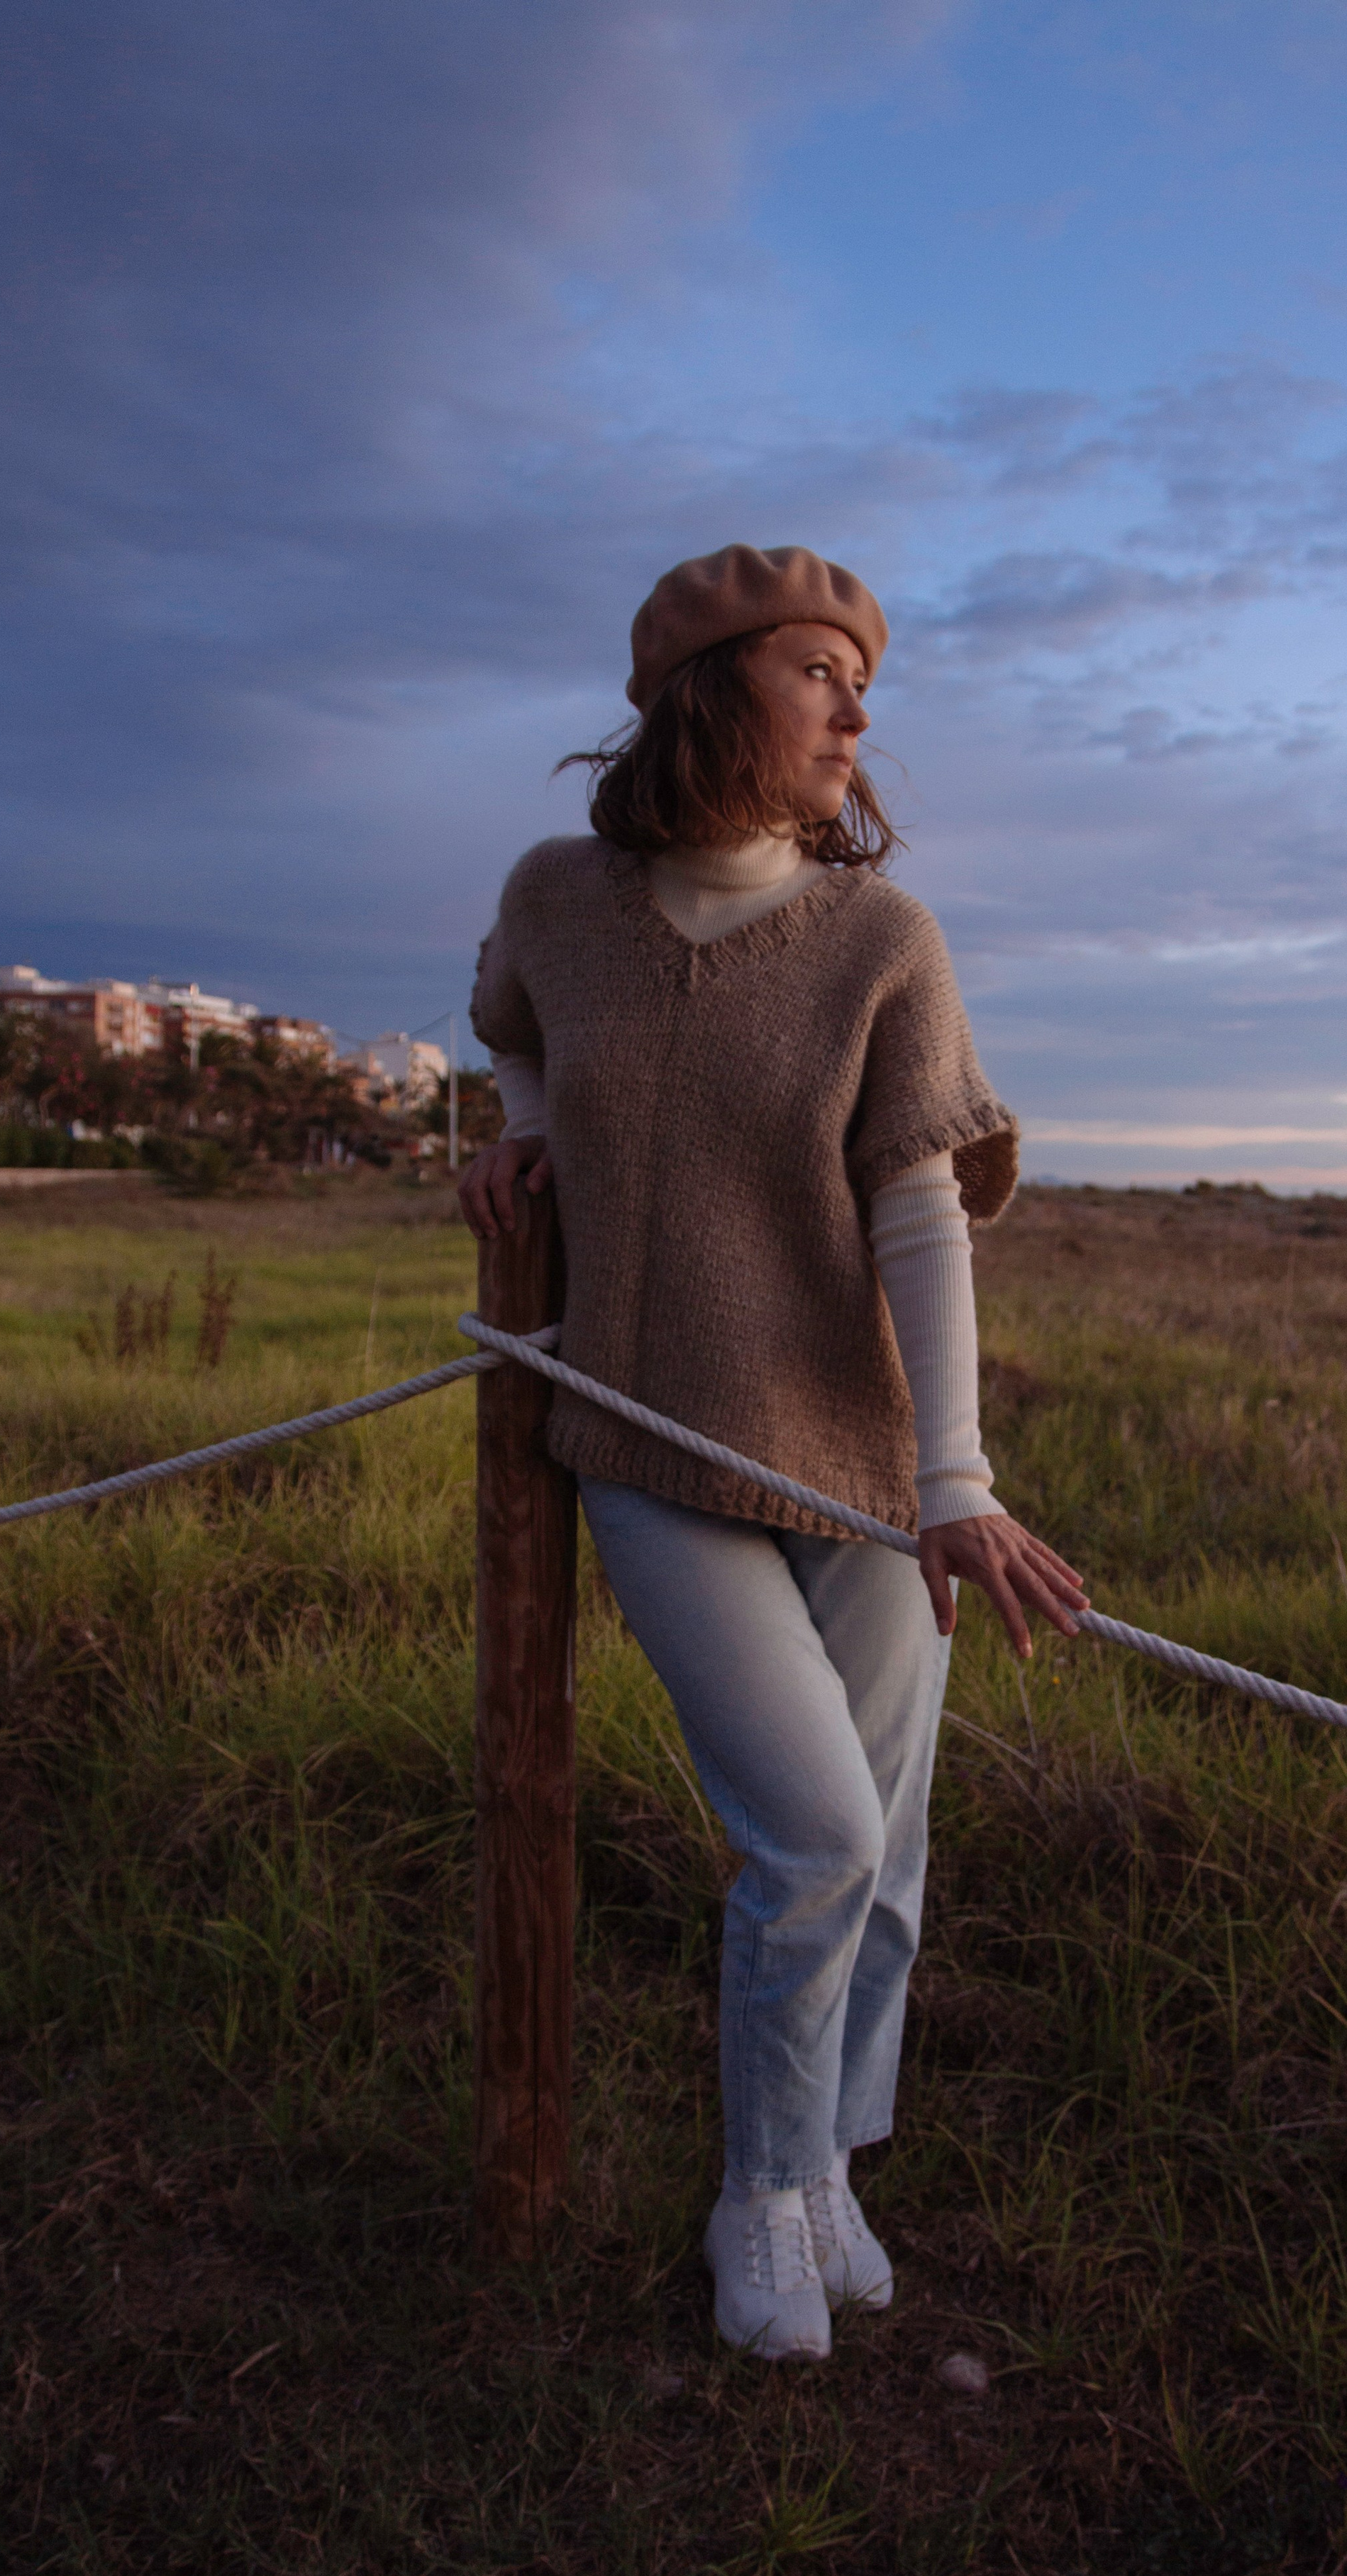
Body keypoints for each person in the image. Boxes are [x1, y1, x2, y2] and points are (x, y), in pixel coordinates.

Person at [462, 544, 1087, 2361]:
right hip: (648, 1437)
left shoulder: (882, 940)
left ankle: (825, 2172)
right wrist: (526, 1134)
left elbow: (920, 1214)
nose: (854, 712)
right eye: (818, 670)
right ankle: (758, 2190)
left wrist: (951, 1486)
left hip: (862, 1464)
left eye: (860, 683)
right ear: (708, 687)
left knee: (883, 1857)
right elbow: (509, 1022)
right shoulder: (558, 897)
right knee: (812, 1834)